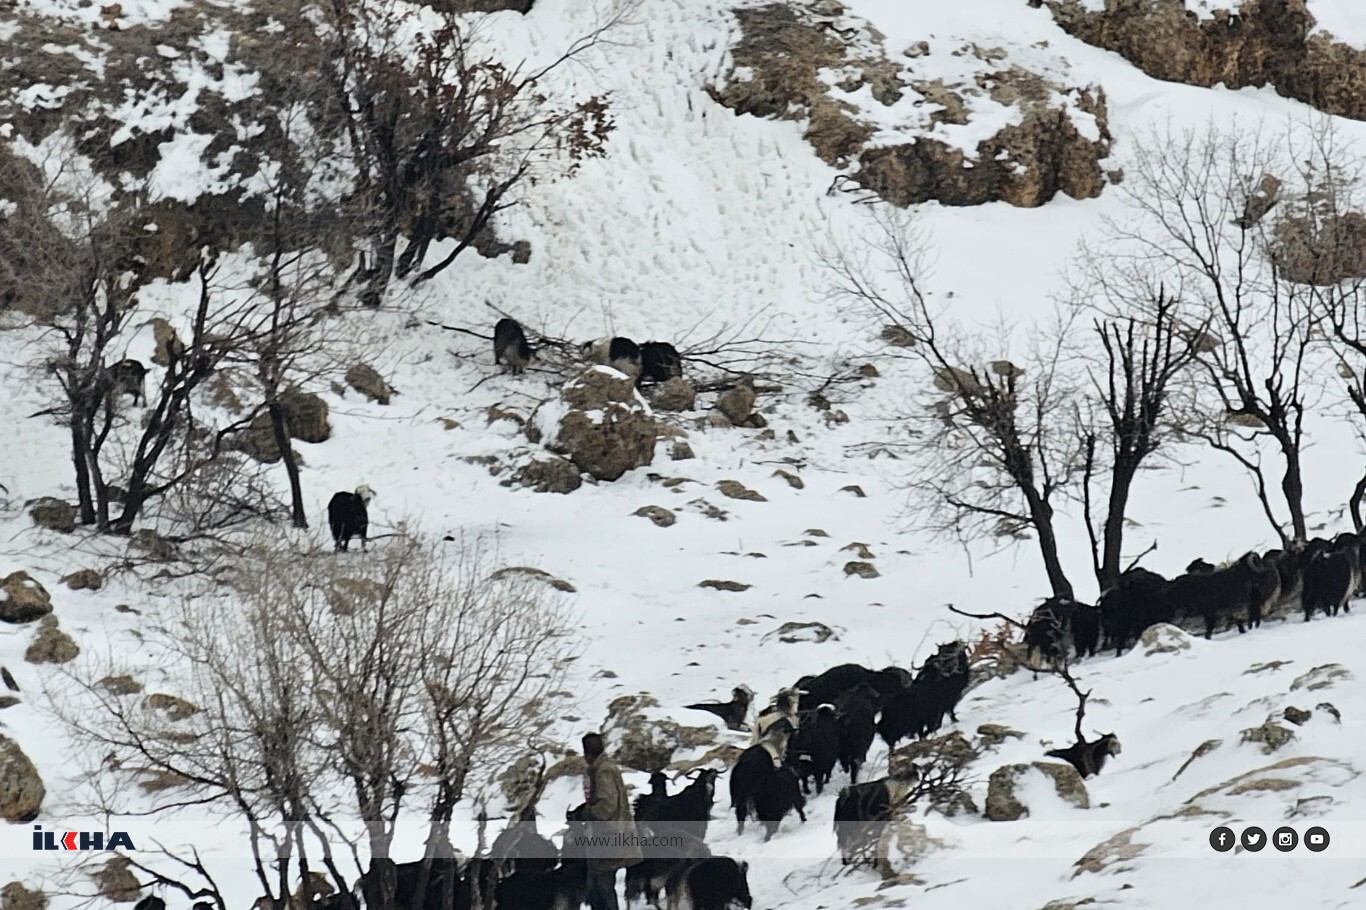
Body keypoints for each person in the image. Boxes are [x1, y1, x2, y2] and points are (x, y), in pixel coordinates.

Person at [578, 732, 642, 910]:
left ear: (587, 753)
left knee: (603, 886)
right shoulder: (604, 767)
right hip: (611, 835)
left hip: (610, 836)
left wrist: (588, 812)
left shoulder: (603, 771)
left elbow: (607, 806)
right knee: (599, 885)